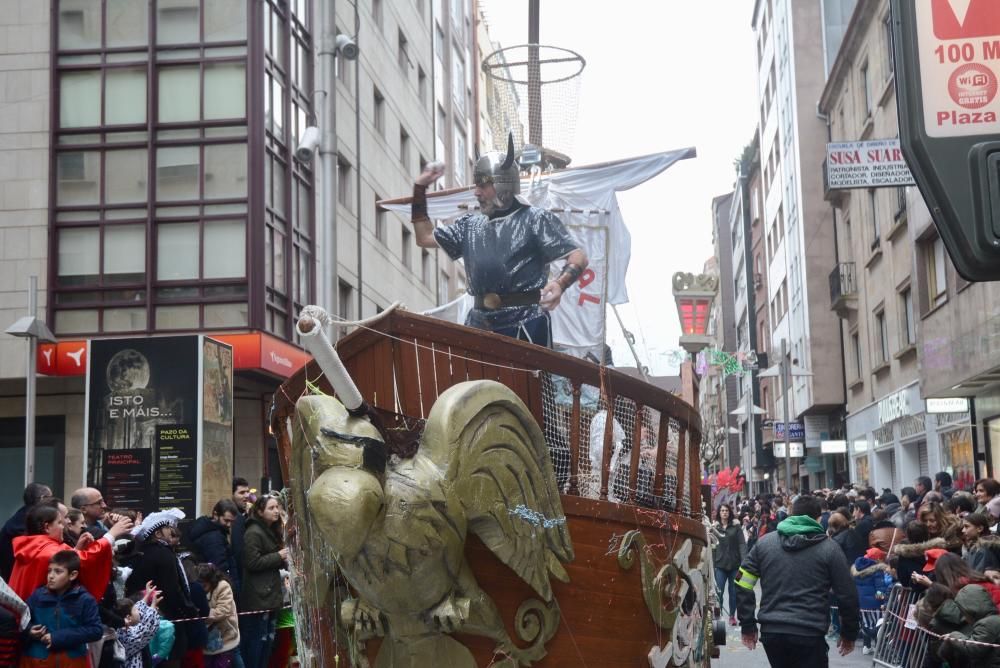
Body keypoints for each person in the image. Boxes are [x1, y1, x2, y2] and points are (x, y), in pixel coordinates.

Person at [409, 137, 589, 347]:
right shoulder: (469, 225)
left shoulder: (534, 219)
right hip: (479, 326)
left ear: (504, 185)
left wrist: (560, 283)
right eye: (477, 185)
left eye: (484, 185)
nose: (476, 192)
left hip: (528, 324)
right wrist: (419, 188)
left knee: (528, 380)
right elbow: (424, 237)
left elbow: (578, 257)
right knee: (477, 382)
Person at [736, 494, 859, 666]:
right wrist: (849, 633)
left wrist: (748, 624)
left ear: (791, 514)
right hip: (810, 632)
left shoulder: (764, 544)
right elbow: (847, 594)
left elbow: (742, 583)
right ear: (818, 519)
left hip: (773, 632)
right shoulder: (830, 549)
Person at [122, 510, 199, 668]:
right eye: (168, 528)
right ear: (157, 533)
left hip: (145, 616)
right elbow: (171, 590)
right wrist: (189, 610)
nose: (173, 531)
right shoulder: (163, 554)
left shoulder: (145, 552)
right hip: (165, 618)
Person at [10, 504, 131, 603]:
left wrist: (77, 549)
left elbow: (72, 557)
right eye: (60, 523)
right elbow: (84, 560)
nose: (64, 526)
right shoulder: (49, 550)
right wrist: (110, 535)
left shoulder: (30, 545)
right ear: (47, 527)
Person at [21, 550, 103, 668]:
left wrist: (58, 637)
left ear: (73, 575)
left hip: (72, 661)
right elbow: (21, 619)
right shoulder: (38, 596)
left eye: (58, 571)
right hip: (36, 660)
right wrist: (29, 630)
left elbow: (95, 630)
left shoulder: (84, 599)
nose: (51, 576)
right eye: (49, 571)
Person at [240, 496, 288, 668]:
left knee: (268, 640)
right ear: (260, 512)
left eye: (277, 507)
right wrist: (279, 556)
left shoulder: (269, 530)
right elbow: (252, 562)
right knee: (258, 640)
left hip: (269, 593)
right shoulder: (253, 532)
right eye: (271, 508)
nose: (276, 511)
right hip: (259, 596)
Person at [938, 583, 1000, 666]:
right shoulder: (993, 619)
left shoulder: (987, 623)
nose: (965, 617)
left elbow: (973, 649)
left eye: (964, 613)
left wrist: (953, 635)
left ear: (971, 610)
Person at [0, 484, 51, 581]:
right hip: (15, 576)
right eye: (50, 498)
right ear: (43, 498)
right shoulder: (31, 518)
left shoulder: (23, 514)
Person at [186, 500, 241, 589]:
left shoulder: (211, 531)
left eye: (232, 521)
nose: (229, 525)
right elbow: (220, 568)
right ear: (215, 515)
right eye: (226, 520)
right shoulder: (214, 538)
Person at [851, 547, 895, 655]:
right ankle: (878, 647)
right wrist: (883, 597)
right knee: (876, 625)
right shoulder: (877, 570)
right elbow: (879, 588)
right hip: (874, 603)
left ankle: (867, 646)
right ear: (878, 559)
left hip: (861, 602)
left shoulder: (857, 569)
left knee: (866, 623)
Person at [197, 564, 240, 668]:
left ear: (211, 581)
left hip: (227, 637)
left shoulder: (223, 586)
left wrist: (203, 614)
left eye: (205, 586)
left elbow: (223, 610)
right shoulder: (197, 589)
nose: (203, 590)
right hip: (208, 640)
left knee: (236, 662)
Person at [712, 503, 746, 627]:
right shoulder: (714, 527)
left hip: (735, 565)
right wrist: (712, 562)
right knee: (718, 591)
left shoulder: (736, 527)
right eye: (722, 510)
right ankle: (718, 614)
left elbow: (742, 544)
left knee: (734, 592)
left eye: (726, 510)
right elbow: (712, 546)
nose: (724, 512)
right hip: (720, 565)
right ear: (719, 513)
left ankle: (732, 616)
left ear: (729, 512)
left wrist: (744, 562)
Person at [115, 581, 162, 668]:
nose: (139, 611)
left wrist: (147, 595)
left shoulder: (124, 628)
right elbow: (146, 629)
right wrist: (153, 606)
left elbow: (139, 612)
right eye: (135, 610)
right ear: (129, 618)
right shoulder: (126, 637)